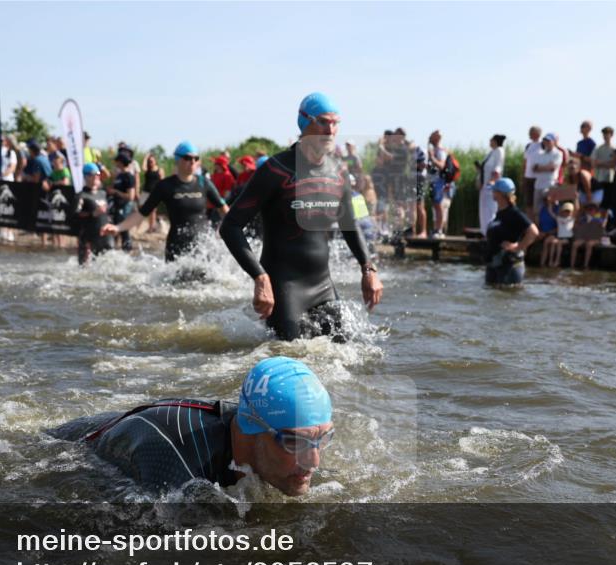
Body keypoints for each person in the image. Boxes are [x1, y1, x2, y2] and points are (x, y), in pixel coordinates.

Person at [218, 92, 382, 341]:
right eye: (323, 122)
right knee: (290, 355)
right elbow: (230, 226)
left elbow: (350, 225)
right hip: (284, 288)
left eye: (335, 123)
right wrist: (260, 277)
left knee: (349, 354)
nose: (331, 129)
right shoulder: (275, 170)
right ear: (304, 122)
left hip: (323, 286)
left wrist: (368, 269)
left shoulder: (338, 171)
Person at [48, 356, 334, 497]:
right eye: (295, 442)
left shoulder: (267, 428)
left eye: (322, 438)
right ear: (252, 427)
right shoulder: (178, 471)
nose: (313, 461)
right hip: (68, 446)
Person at [103, 141, 228, 262]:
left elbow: (223, 208)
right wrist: (118, 227)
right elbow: (143, 212)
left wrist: (235, 228)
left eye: (196, 158)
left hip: (202, 246)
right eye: (188, 158)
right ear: (177, 160)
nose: (192, 162)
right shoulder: (166, 186)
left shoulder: (204, 183)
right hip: (177, 246)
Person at [484, 178, 538, 285]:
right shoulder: (499, 213)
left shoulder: (514, 213)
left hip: (509, 267)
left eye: (494, 191)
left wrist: (518, 247)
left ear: (501, 194)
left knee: (507, 298)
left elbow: (534, 232)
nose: (492, 193)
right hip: (495, 265)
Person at [73, 163, 115, 265]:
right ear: (86, 176)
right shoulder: (81, 195)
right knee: (85, 270)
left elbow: (109, 176)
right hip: (88, 239)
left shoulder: (103, 193)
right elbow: (75, 216)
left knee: (108, 267)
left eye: (98, 174)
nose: (97, 177)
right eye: (93, 174)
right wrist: (92, 214)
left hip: (105, 238)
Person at [105, 153, 138, 251]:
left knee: (124, 231)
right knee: (113, 230)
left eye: (117, 161)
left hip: (124, 208)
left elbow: (130, 196)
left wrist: (115, 192)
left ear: (121, 162)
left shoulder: (129, 177)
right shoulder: (119, 176)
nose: (115, 163)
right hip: (115, 207)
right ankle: (113, 251)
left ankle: (127, 252)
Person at [478, 134, 506, 236]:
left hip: (491, 185)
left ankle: (491, 232)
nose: (490, 141)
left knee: (490, 209)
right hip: (485, 184)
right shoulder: (491, 152)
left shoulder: (499, 151)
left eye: (491, 140)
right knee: (484, 210)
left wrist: (493, 181)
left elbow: (498, 168)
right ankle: (485, 231)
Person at [427, 130, 453, 238]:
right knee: (436, 206)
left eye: (431, 136)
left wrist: (432, 158)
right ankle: (436, 229)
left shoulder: (440, 150)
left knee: (439, 206)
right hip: (435, 181)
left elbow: (442, 166)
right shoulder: (435, 149)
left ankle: (439, 230)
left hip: (440, 181)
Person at [530, 133, 562, 218]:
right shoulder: (540, 154)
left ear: (553, 142)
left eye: (548, 141)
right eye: (545, 141)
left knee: (551, 206)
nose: (546, 142)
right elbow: (533, 168)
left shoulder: (557, 153)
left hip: (550, 184)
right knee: (536, 210)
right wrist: (545, 167)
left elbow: (552, 168)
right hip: (538, 184)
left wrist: (540, 167)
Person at [570, 200, 608, 269]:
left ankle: (585, 265)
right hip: (584, 238)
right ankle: (572, 265)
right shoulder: (582, 219)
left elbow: (602, 228)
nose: (589, 211)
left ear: (595, 211)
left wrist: (598, 220)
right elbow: (574, 229)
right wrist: (576, 223)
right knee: (575, 244)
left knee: (589, 244)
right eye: (588, 209)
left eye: (591, 209)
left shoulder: (599, 219)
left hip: (595, 239)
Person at [542, 201, 576, 267]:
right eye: (565, 211)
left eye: (568, 211)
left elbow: (577, 209)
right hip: (560, 238)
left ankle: (557, 261)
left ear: (571, 212)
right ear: (562, 211)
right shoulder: (559, 218)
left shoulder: (572, 219)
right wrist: (550, 203)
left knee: (558, 243)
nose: (567, 213)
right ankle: (550, 261)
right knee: (554, 243)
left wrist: (576, 198)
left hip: (568, 239)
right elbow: (550, 212)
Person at [591, 126, 616, 209]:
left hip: (610, 179)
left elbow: (614, 164)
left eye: (607, 134)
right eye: (604, 134)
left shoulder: (615, 149)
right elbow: (594, 163)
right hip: (599, 178)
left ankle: (606, 221)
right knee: (598, 202)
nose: (605, 136)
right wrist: (607, 163)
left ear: (611, 135)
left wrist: (601, 163)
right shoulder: (598, 148)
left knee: (607, 203)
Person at [522, 126, 543, 217]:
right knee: (528, 202)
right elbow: (525, 162)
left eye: (532, 132)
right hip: (528, 177)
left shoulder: (543, 144)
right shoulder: (528, 146)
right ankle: (529, 221)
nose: (530, 134)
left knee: (537, 202)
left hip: (538, 177)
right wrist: (522, 176)